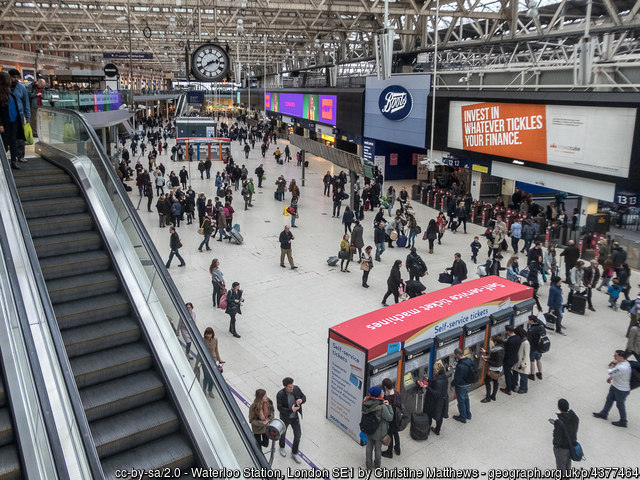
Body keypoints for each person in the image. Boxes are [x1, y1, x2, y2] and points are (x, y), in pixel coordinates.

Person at [593, 350, 632, 428]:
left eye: (615, 355)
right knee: (609, 399)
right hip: (616, 386)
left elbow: (610, 371)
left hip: (621, 390)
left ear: (621, 357)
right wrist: (611, 378)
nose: (614, 357)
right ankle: (604, 413)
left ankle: (623, 421)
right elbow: (616, 374)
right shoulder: (623, 363)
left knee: (620, 404)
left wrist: (612, 364)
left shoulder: (622, 367)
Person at [361, 386, 393, 469]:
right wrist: (389, 406)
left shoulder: (366, 402)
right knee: (378, 449)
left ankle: (368, 464)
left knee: (369, 447)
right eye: (381, 392)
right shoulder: (382, 407)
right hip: (379, 432)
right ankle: (377, 465)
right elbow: (390, 417)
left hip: (368, 429)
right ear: (378, 395)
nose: (383, 393)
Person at [276, 377, 306, 463]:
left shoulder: (296, 389)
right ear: (285, 387)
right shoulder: (280, 394)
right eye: (290, 387)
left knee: (298, 435)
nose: (292, 388)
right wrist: (291, 410)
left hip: (295, 417)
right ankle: (282, 447)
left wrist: (301, 400)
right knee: (282, 433)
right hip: (285, 418)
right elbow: (280, 408)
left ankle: (294, 452)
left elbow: (304, 397)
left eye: (292, 386)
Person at [0, 72, 23, 169]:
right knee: (4, 143)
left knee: (13, 141)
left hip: (13, 121)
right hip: (5, 122)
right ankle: (3, 162)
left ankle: (14, 160)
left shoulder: (10, 93)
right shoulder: (2, 94)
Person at [552, 399, 579, 471]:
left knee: (561, 466)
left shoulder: (559, 422)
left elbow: (557, 438)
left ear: (558, 408)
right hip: (571, 445)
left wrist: (555, 445)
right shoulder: (575, 417)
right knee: (568, 463)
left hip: (562, 448)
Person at [8, 69, 30, 164]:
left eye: (17, 77)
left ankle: (20, 156)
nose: (16, 79)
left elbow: (26, 103)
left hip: (19, 115)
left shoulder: (22, 88)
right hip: (7, 114)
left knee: (20, 136)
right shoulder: (4, 88)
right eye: (14, 77)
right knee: (7, 136)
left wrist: (27, 116)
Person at [423, 362, 449, 435]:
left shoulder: (438, 380)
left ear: (437, 370)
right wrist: (428, 380)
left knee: (429, 415)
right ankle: (437, 430)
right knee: (439, 416)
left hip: (435, 402)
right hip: (443, 400)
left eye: (434, 370)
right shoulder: (444, 377)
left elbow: (436, 393)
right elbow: (436, 383)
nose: (434, 371)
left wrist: (427, 387)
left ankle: (427, 431)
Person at [199, 327, 223, 399]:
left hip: (213, 360)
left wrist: (219, 359)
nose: (208, 335)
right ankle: (204, 389)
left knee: (212, 377)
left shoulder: (215, 340)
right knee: (206, 376)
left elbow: (216, 350)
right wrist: (198, 360)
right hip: (205, 361)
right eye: (207, 334)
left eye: (210, 334)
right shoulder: (203, 340)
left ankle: (210, 390)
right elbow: (200, 351)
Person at [451, 348, 474, 423]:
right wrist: (456, 368)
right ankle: (468, 414)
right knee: (466, 398)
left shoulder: (461, 366)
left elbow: (457, 378)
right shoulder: (468, 360)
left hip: (461, 385)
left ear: (457, 355)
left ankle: (462, 417)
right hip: (468, 383)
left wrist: (452, 385)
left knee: (461, 401)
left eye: (455, 355)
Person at [381, 378, 402, 458]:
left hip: (392, 420)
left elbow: (388, 409)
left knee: (390, 434)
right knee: (396, 433)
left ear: (385, 387)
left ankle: (389, 452)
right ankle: (397, 448)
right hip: (398, 418)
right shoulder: (397, 393)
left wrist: (383, 397)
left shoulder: (388, 399)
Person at [480, 335, 504, 403]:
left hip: (494, 369)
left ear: (495, 342)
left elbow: (496, 362)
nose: (492, 343)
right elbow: (493, 356)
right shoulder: (501, 348)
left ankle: (488, 398)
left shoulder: (496, 350)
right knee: (495, 381)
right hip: (499, 369)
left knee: (487, 381)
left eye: (493, 341)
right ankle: (493, 396)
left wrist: (486, 360)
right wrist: (486, 352)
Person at [501, 325, 522, 395]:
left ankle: (508, 389)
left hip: (508, 360)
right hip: (514, 358)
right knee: (509, 372)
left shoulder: (510, 340)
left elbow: (507, 351)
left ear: (508, 331)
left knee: (507, 374)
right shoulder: (518, 337)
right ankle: (513, 385)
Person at [527, 315, 546, 380]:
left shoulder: (531, 330)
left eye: (529, 320)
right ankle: (540, 373)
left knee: (532, 361)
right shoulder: (541, 327)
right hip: (540, 347)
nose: (528, 321)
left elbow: (529, 341)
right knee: (538, 360)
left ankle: (532, 374)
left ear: (532, 321)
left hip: (533, 348)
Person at [512, 325, 530, 394]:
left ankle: (524, 388)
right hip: (517, 360)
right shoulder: (520, 340)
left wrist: (523, 363)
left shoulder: (526, 343)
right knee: (515, 373)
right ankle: (515, 385)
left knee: (523, 376)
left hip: (522, 362)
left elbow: (526, 354)